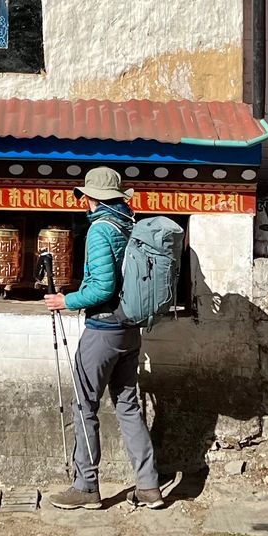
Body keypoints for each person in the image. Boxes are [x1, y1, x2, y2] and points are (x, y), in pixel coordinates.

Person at [43, 167, 164, 509]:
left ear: (92, 197)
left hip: (103, 332)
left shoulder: (100, 230)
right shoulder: (130, 225)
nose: (84, 201)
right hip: (130, 330)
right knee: (128, 406)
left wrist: (66, 301)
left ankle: (85, 487)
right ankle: (149, 486)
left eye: (85, 196)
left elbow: (102, 288)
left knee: (84, 406)